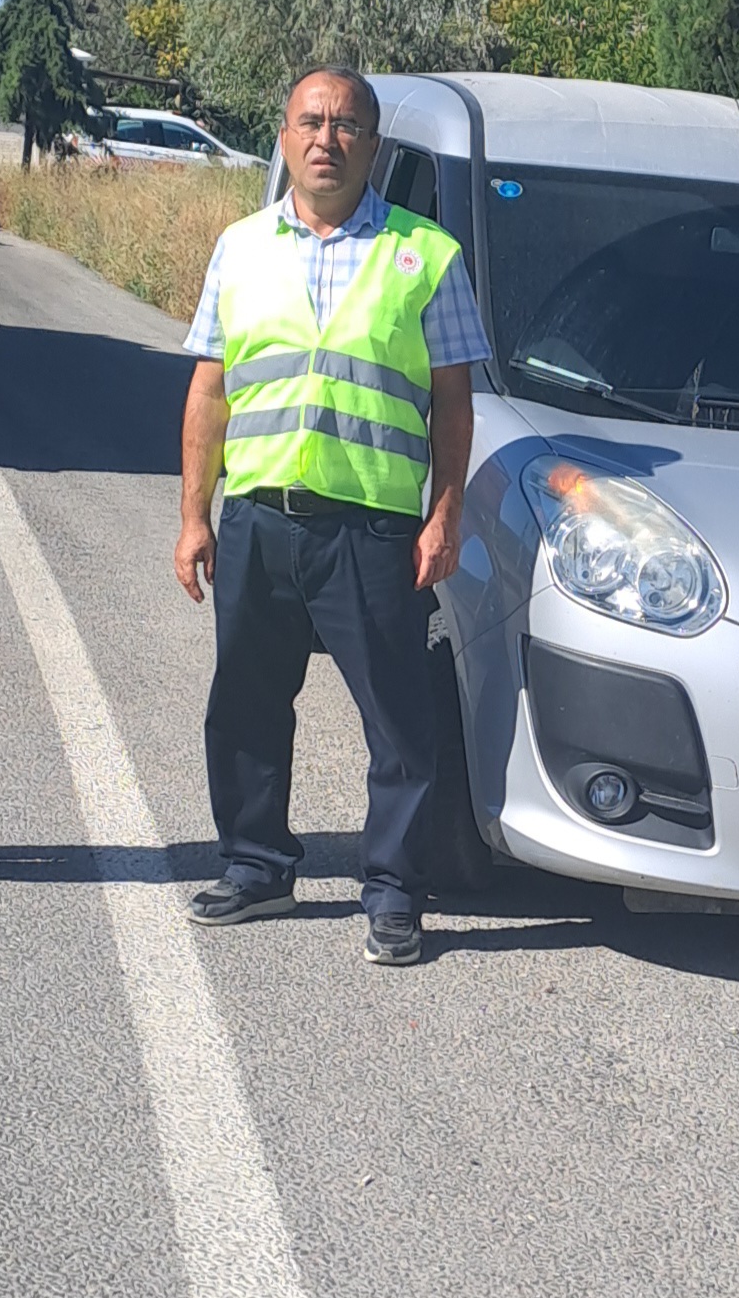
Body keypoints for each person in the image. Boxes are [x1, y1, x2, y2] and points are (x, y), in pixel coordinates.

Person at [172, 65, 487, 967]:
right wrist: (194, 515)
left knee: (399, 720)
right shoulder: (239, 246)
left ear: (373, 146)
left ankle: (392, 891)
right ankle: (257, 867)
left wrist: (445, 512)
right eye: (310, 120)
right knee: (245, 703)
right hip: (260, 520)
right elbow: (210, 389)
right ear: (283, 137)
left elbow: (452, 401)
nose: (326, 138)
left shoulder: (427, 254)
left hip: (375, 527)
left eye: (347, 124)